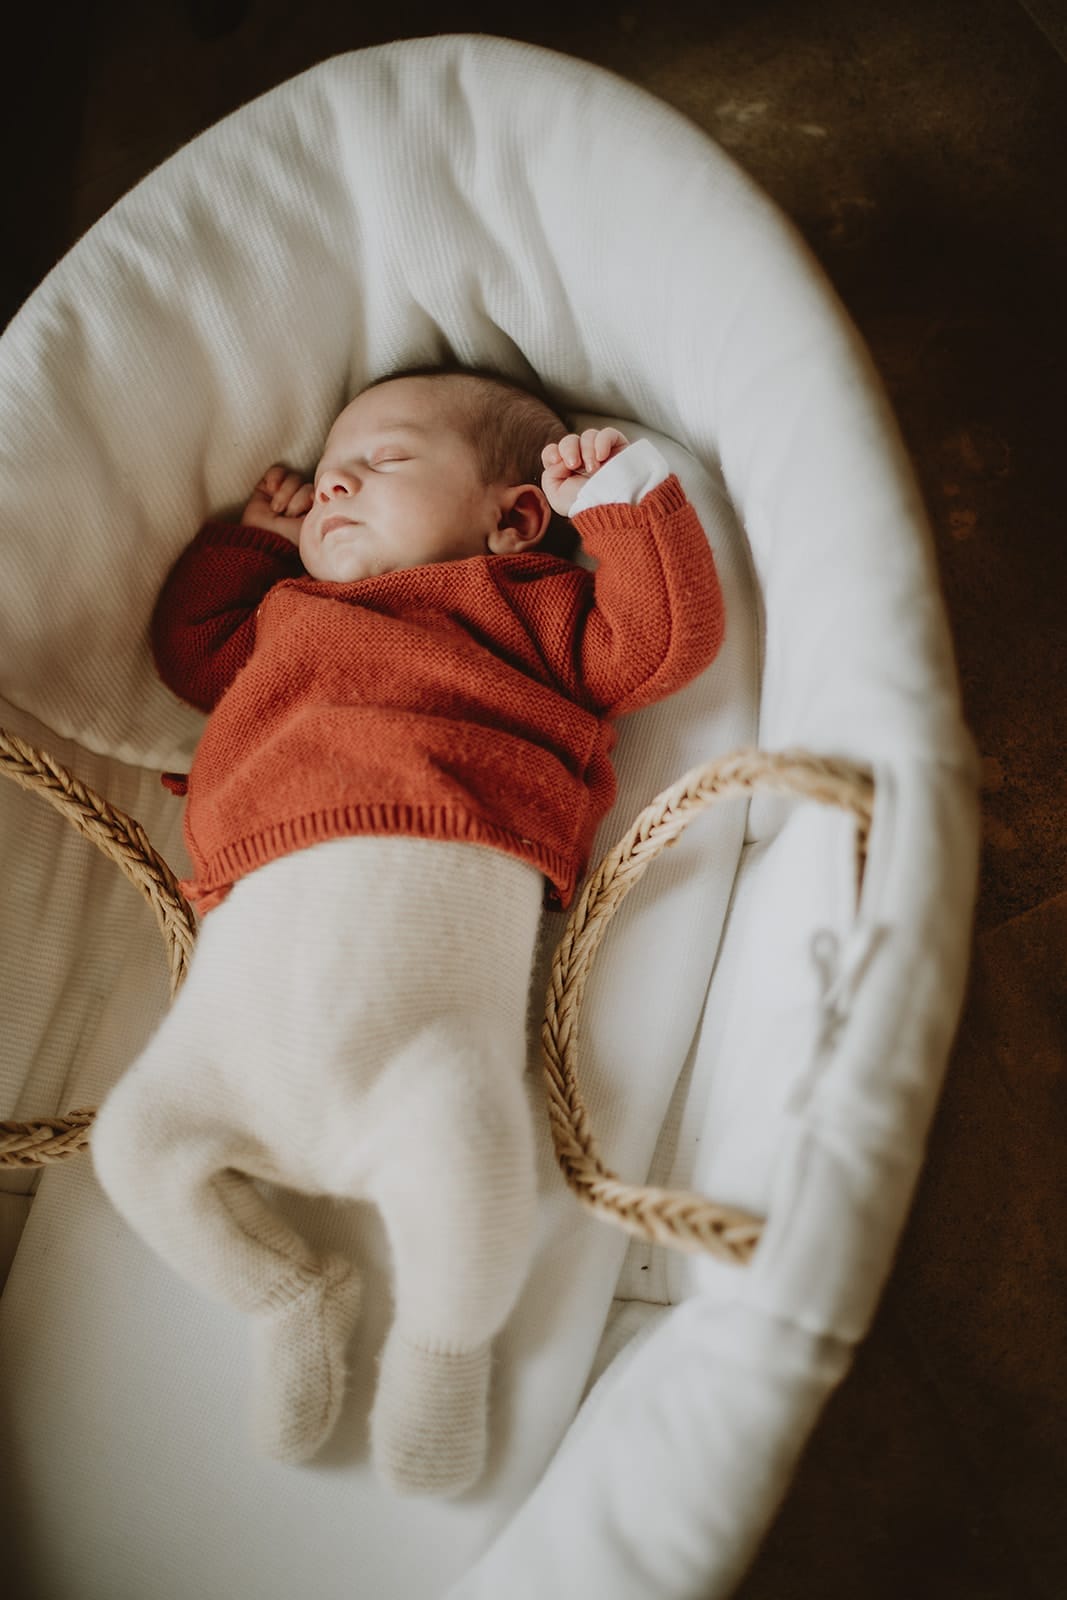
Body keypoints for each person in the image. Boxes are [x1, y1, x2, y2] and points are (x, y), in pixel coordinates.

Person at [91, 364, 726, 1497]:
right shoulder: (286, 622)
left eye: (380, 461)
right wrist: (252, 545)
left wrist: (624, 502)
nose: (335, 478)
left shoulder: (523, 605)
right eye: (331, 467)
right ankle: (291, 1295)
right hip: (236, 1017)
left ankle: (443, 1351)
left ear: (511, 515)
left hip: (429, 1025)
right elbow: (189, 650)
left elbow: (657, 643)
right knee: (132, 1144)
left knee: (479, 1170)